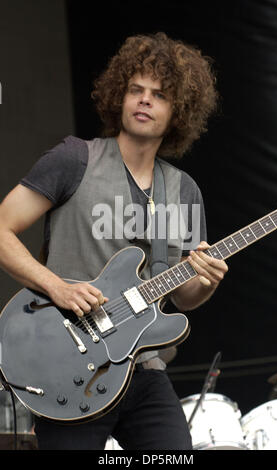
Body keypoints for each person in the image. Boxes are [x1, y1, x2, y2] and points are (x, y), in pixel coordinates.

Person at [0, 32, 228, 450]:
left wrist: (206, 280)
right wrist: (57, 286)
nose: (144, 100)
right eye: (135, 90)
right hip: (70, 367)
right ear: (118, 96)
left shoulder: (183, 190)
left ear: (179, 111)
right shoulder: (75, 159)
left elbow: (183, 298)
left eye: (159, 95)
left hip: (145, 372)